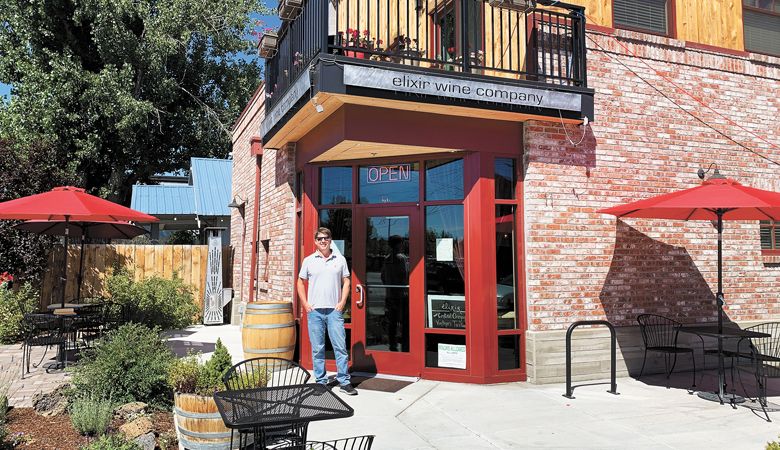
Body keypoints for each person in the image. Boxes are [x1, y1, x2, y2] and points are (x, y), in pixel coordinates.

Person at [297, 227, 357, 395]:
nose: (323, 241)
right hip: (314, 311)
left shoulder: (340, 259)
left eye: (326, 238)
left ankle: (344, 382)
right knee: (317, 348)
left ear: (330, 240)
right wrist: (305, 304)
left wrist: (342, 302)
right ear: (315, 241)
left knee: (340, 347)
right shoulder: (309, 260)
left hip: (334, 311)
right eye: (320, 238)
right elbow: (300, 282)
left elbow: (347, 281)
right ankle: (321, 382)